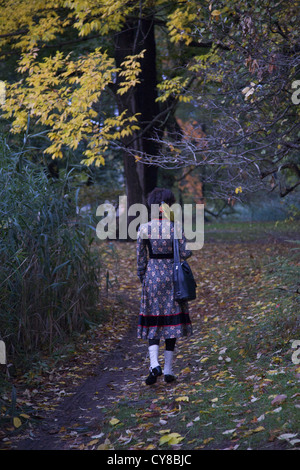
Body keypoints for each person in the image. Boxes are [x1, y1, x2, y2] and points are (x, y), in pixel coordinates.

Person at [136, 187, 193, 385]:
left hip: (152, 275)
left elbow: (140, 258)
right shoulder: (175, 227)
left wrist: (143, 277)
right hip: (172, 276)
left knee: (153, 321)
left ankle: (154, 365)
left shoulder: (144, 228)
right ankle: (168, 370)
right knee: (171, 324)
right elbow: (185, 253)